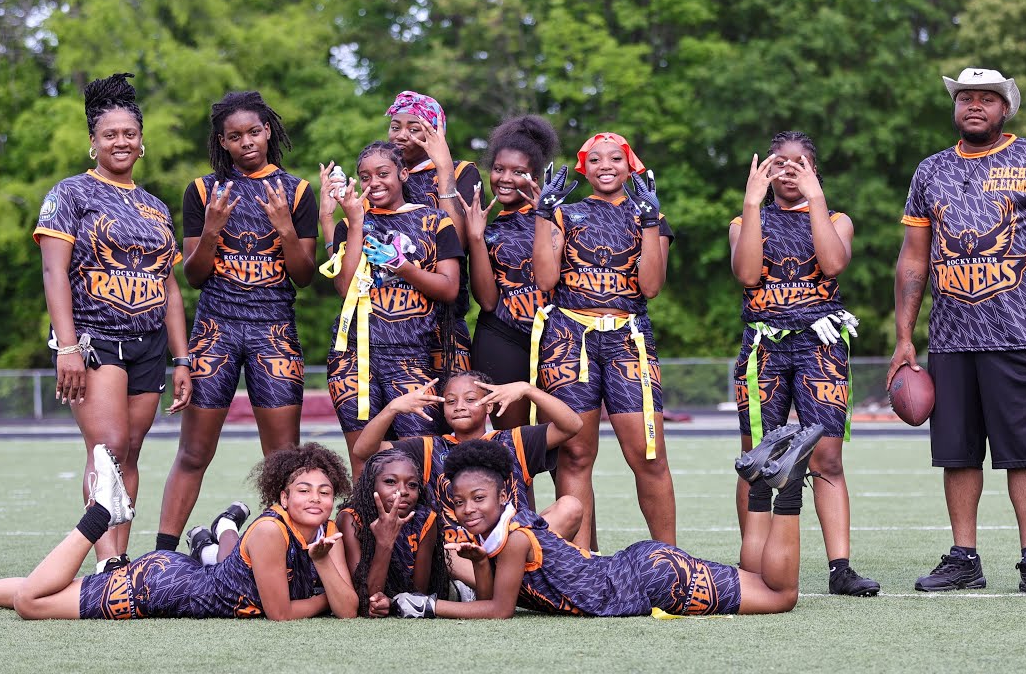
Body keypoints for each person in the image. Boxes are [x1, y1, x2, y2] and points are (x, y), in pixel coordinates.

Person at [889, 67, 1026, 595]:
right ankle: (964, 558)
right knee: (957, 455)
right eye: (965, 98)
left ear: (1005, 108)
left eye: (986, 99)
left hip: (1022, 337)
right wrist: (905, 337)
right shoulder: (931, 170)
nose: (974, 105)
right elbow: (913, 259)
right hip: (951, 341)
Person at [0, 443, 358, 620]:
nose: (315, 499)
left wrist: (323, 567)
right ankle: (99, 516)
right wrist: (326, 592)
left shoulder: (327, 529)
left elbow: (349, 609)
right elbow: (281, 614)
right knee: (32, 603)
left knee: (49, 592)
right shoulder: (272, 531)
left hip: (175, 577)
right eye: (303, 490)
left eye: (324, 491)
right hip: (161, 590)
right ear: (282, 497)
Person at [386, 433, 819, 619]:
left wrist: (429, 606)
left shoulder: (515, 539)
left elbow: (499, 612)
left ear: (504, 496)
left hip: (652, 580)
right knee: (757, 579)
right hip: (643, 569)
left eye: (478, 498)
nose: (467, 509)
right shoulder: (499, 535)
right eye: (459, 501)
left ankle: (787, 490)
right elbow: (490, 599)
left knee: (780, 596)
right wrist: (481, 562)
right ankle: (758, 487)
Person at [32, 72, 191, 573]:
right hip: (95, 340)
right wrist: (67, 346)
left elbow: (169, 286)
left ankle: (120, 558)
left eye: (129, 134)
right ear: (93, 141)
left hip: (149, 345)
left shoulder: (155, 206)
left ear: (142, 142)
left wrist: (182, 358)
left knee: (132, 452)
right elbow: (54, 272)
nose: (120, 141)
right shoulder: (70, 194)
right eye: (109, 134)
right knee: (108, 449)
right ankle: (106, 563)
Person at [155, 91, 318, 554]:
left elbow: (305, 275)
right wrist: (211, 229)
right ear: (222, 142)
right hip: (216, 330)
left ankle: (287, 554)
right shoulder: (202, 191)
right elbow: (193, 274)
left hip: (274, 331)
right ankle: (163, 555)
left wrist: (284, 227)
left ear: (268, 132)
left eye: (254, 132)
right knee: (193, 452)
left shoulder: (298, 191)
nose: (246, 142)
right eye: (235, 136)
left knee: (283, 459)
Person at [728, 131, 880, 597]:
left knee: (827, 457)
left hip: (820, 343)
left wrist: (816, 198)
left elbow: (832, 264)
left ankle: (840, 568)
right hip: (764, 346)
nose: (789, 170)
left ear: (815, 170)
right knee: (756, 457)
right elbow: (747, 275)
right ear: (765, 170)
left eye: (800, 163)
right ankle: (752, 564)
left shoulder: (835, 218)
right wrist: (752, 202)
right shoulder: (745, 220)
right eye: (780, 162)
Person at [531, 132, 676, 549]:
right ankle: (581, 562)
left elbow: (651, 286)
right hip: (569, 338)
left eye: (616, 158)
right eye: (595, 159)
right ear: (583, 168)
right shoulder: (565, 213)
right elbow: (545, 280)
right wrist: (543, 213)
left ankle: (671, 562)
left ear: (631, 166)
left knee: (648, 453)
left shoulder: (650, 214)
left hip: (627, 338)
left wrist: (651, 221)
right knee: (575, 454)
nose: (606, 165)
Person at [320, 141, 463, 474]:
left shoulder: (435, 220)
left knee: (421, 461)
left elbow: (449, 289)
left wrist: (404, 267)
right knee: (363, 460)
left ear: (403, 174)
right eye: (365, 177)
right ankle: (365, 511)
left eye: (383, 173)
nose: (374, 183)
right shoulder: (350, 224)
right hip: (354, 358)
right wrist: (355, 223)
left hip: (412, 357)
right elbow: (344, 287)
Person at [350, 371, 584, 550]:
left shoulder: (514, 440)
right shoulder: (429, 447)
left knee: (570, 506)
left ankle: (511, 570)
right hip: (457, 553)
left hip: (512, 548)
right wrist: (392, 409)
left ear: (489, 405)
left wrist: (528, 390)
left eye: (470, 399)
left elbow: (572, 425)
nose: (460, 407)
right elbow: (363, 451)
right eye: (450, 401)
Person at [462, 115, 558, 430]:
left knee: (560, 442)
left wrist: (548, 216)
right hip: (501, 336)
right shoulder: (488, 228)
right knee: (514, 442)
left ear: (535, 177)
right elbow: (488, 301)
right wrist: (476, 238)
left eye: (518, 172)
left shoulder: (561, 216)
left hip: (555, 336)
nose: (505, 178)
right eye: (499, 169)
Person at [385, 90, 481, 378]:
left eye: (414, 129)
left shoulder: (462, 172)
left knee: (451, 400)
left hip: (445, 316)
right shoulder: (384, 175)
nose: (401, 135)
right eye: (395, 127)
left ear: (436, 133)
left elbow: (458, 241)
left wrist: (444, 167)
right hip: (393, 317)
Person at [337, 448, 450, 617]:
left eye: (412, 485)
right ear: (371, 484)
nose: (403, 491)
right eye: (390, 482)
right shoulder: (351, 519)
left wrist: (391, 602)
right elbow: (366, 601)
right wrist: (384, 543)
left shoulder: (426, 519)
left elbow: (418, 594)